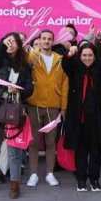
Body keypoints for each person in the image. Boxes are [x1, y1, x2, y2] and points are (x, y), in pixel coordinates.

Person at [0, 33, 33, 199]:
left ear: (19, 45)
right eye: (8, 41)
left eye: (14, 42)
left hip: (13, 110)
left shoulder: (25, 66)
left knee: (14, 148)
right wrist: (1, 43)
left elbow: (30, 89)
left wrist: (18, 90)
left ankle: (15, 182)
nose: (11, 44)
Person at [62, 39, 101, 192]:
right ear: (80, 56)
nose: (87, 58)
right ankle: (81, 179)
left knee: (96, 151)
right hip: (79, 118)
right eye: (84, 55)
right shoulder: (75, 68)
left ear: (95, 55)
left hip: (97, 117)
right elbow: (65, 65)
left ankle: (94, 179)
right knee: (80, 150)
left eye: (90, 55)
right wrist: (69, 53)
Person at [24, 30, 68, 188]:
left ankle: (50, 173)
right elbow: (24, 64)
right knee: (34, 142)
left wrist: (63, 107)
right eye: (44, 38)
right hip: (34, 104)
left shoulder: (60, 59)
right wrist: (33, 53)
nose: (47, 41)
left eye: (49, 39)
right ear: (39, 40)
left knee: (51, 143)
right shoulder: (32, 57)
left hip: (53, 106)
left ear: (53, 41)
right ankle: (33, 174)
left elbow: (65, 85)